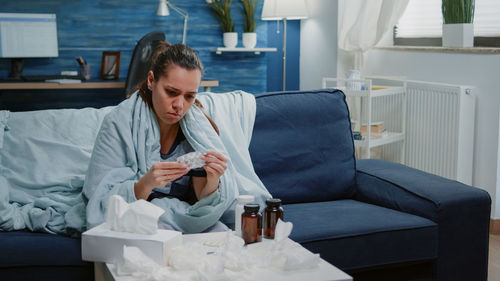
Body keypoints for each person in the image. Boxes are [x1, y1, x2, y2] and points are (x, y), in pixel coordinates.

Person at [83, 43, 257, 233]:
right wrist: (146, 183)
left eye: (189, 96)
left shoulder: (197, 131)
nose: (179, 105)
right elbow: (100, 200)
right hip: (133, 215)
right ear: (151, 80)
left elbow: (201, 199)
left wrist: (213, 179)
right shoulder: (118, 123)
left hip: (182, 217)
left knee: (222, 235)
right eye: (171, 92)